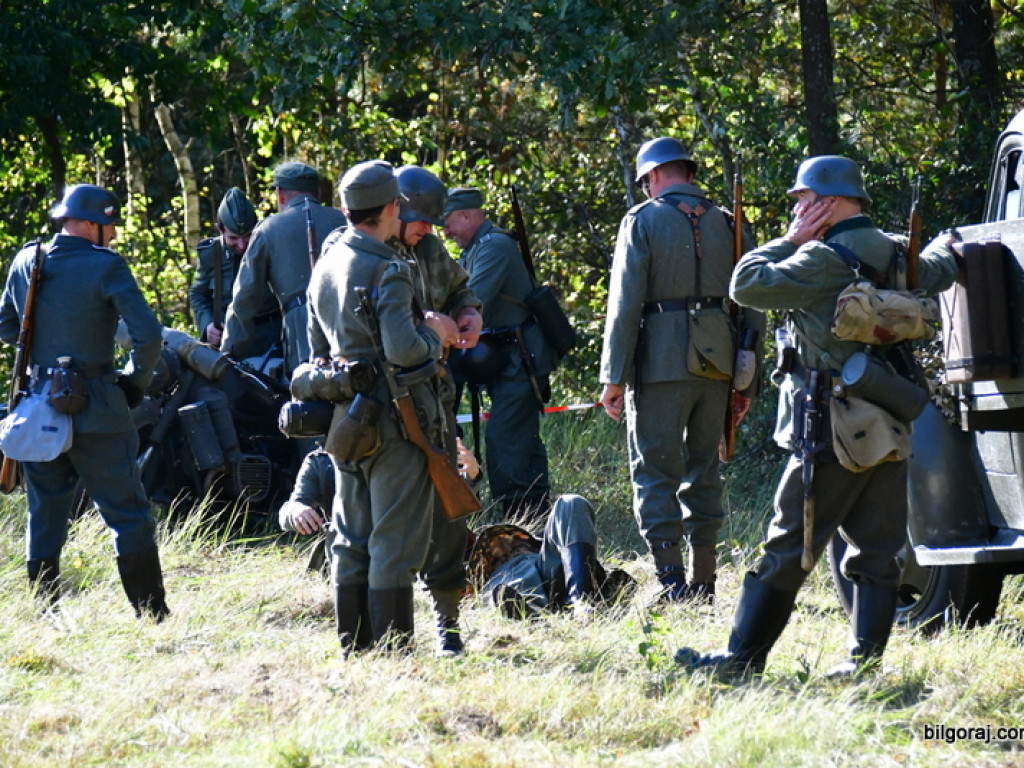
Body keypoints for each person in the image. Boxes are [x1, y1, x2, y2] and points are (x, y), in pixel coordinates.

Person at [675, 155, 959, 677]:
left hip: (829, 427)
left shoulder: (821, 259)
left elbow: (746, 283)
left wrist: (790, 239)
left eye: (804, 201)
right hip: (889, 419)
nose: (800, 210)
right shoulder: (900, 251)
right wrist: (946, 241)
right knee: (877, 551)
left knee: (788, 545)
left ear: (827, 202)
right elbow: (943, 265)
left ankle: (740, 659)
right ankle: (865, 665)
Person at [598, 137, 764, 603]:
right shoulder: (728, 223)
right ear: (688, 174)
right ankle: (705, 582)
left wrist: (613, 376)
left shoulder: (642, 219)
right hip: (719, 364)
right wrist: (748, 377)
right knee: (705, 468)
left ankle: (672, 583)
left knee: (655, 470)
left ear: (651, 177)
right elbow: (753, 304)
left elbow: (625, 303)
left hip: (659, 363)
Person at [307, 160, 460, 655]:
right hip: (397, 421)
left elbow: (315, 347)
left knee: (351, 537)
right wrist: (435, 332)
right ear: (393, 207)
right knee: (393, 541)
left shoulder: (326, 261)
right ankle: (393, 654)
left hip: (345, 421)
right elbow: (406, 351)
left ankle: (355, 647)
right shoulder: (386, 268)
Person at [0, 184, 169, 620]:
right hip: (100, 409)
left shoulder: (25, 260)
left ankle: (46, 612)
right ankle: (151, 616)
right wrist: (133, 382)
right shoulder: (106, 267)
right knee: (128, 514)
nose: (111, 235)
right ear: (92, 224)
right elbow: (148, 335)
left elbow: (6, 328)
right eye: (109, 226)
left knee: (45, 513)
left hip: (39, 409)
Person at [393, 166, 483, 656]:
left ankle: (448, 623)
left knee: (449, 514)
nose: (430, 228)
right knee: (393, 519)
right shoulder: (362, 252)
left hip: (437, 398)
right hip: (388, 404)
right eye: (419, 219)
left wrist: (469, 313)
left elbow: (460, 290)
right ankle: (387, 627)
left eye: (434, 220)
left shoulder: (428, 248)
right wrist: (426, 323)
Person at [443, 187, 554, 522]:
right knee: (519, 436)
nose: (445, 232)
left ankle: (519, 517)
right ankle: (537, 513)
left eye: (448, 222)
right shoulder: (477, 248)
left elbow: (474, 301)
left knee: (505, 437)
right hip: (504, 358)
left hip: (522, 358)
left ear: (466, 215)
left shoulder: (496, 247)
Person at [221, 161, 347, 375]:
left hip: (301, 335)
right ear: (318, 192)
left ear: (280, 194)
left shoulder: (268, 229)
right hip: (348, 324)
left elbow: (244, 300)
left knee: (310, 401)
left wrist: (227, 354)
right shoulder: (343, 221)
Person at [189, 187, 281, 352]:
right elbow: (198, 295)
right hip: (228, 341)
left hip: (272, 338)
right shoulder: (211, 254)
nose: (242, 245)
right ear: (220, 229)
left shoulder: (271, 247)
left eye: (248, 236)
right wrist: (207, 324)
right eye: (233, 238)